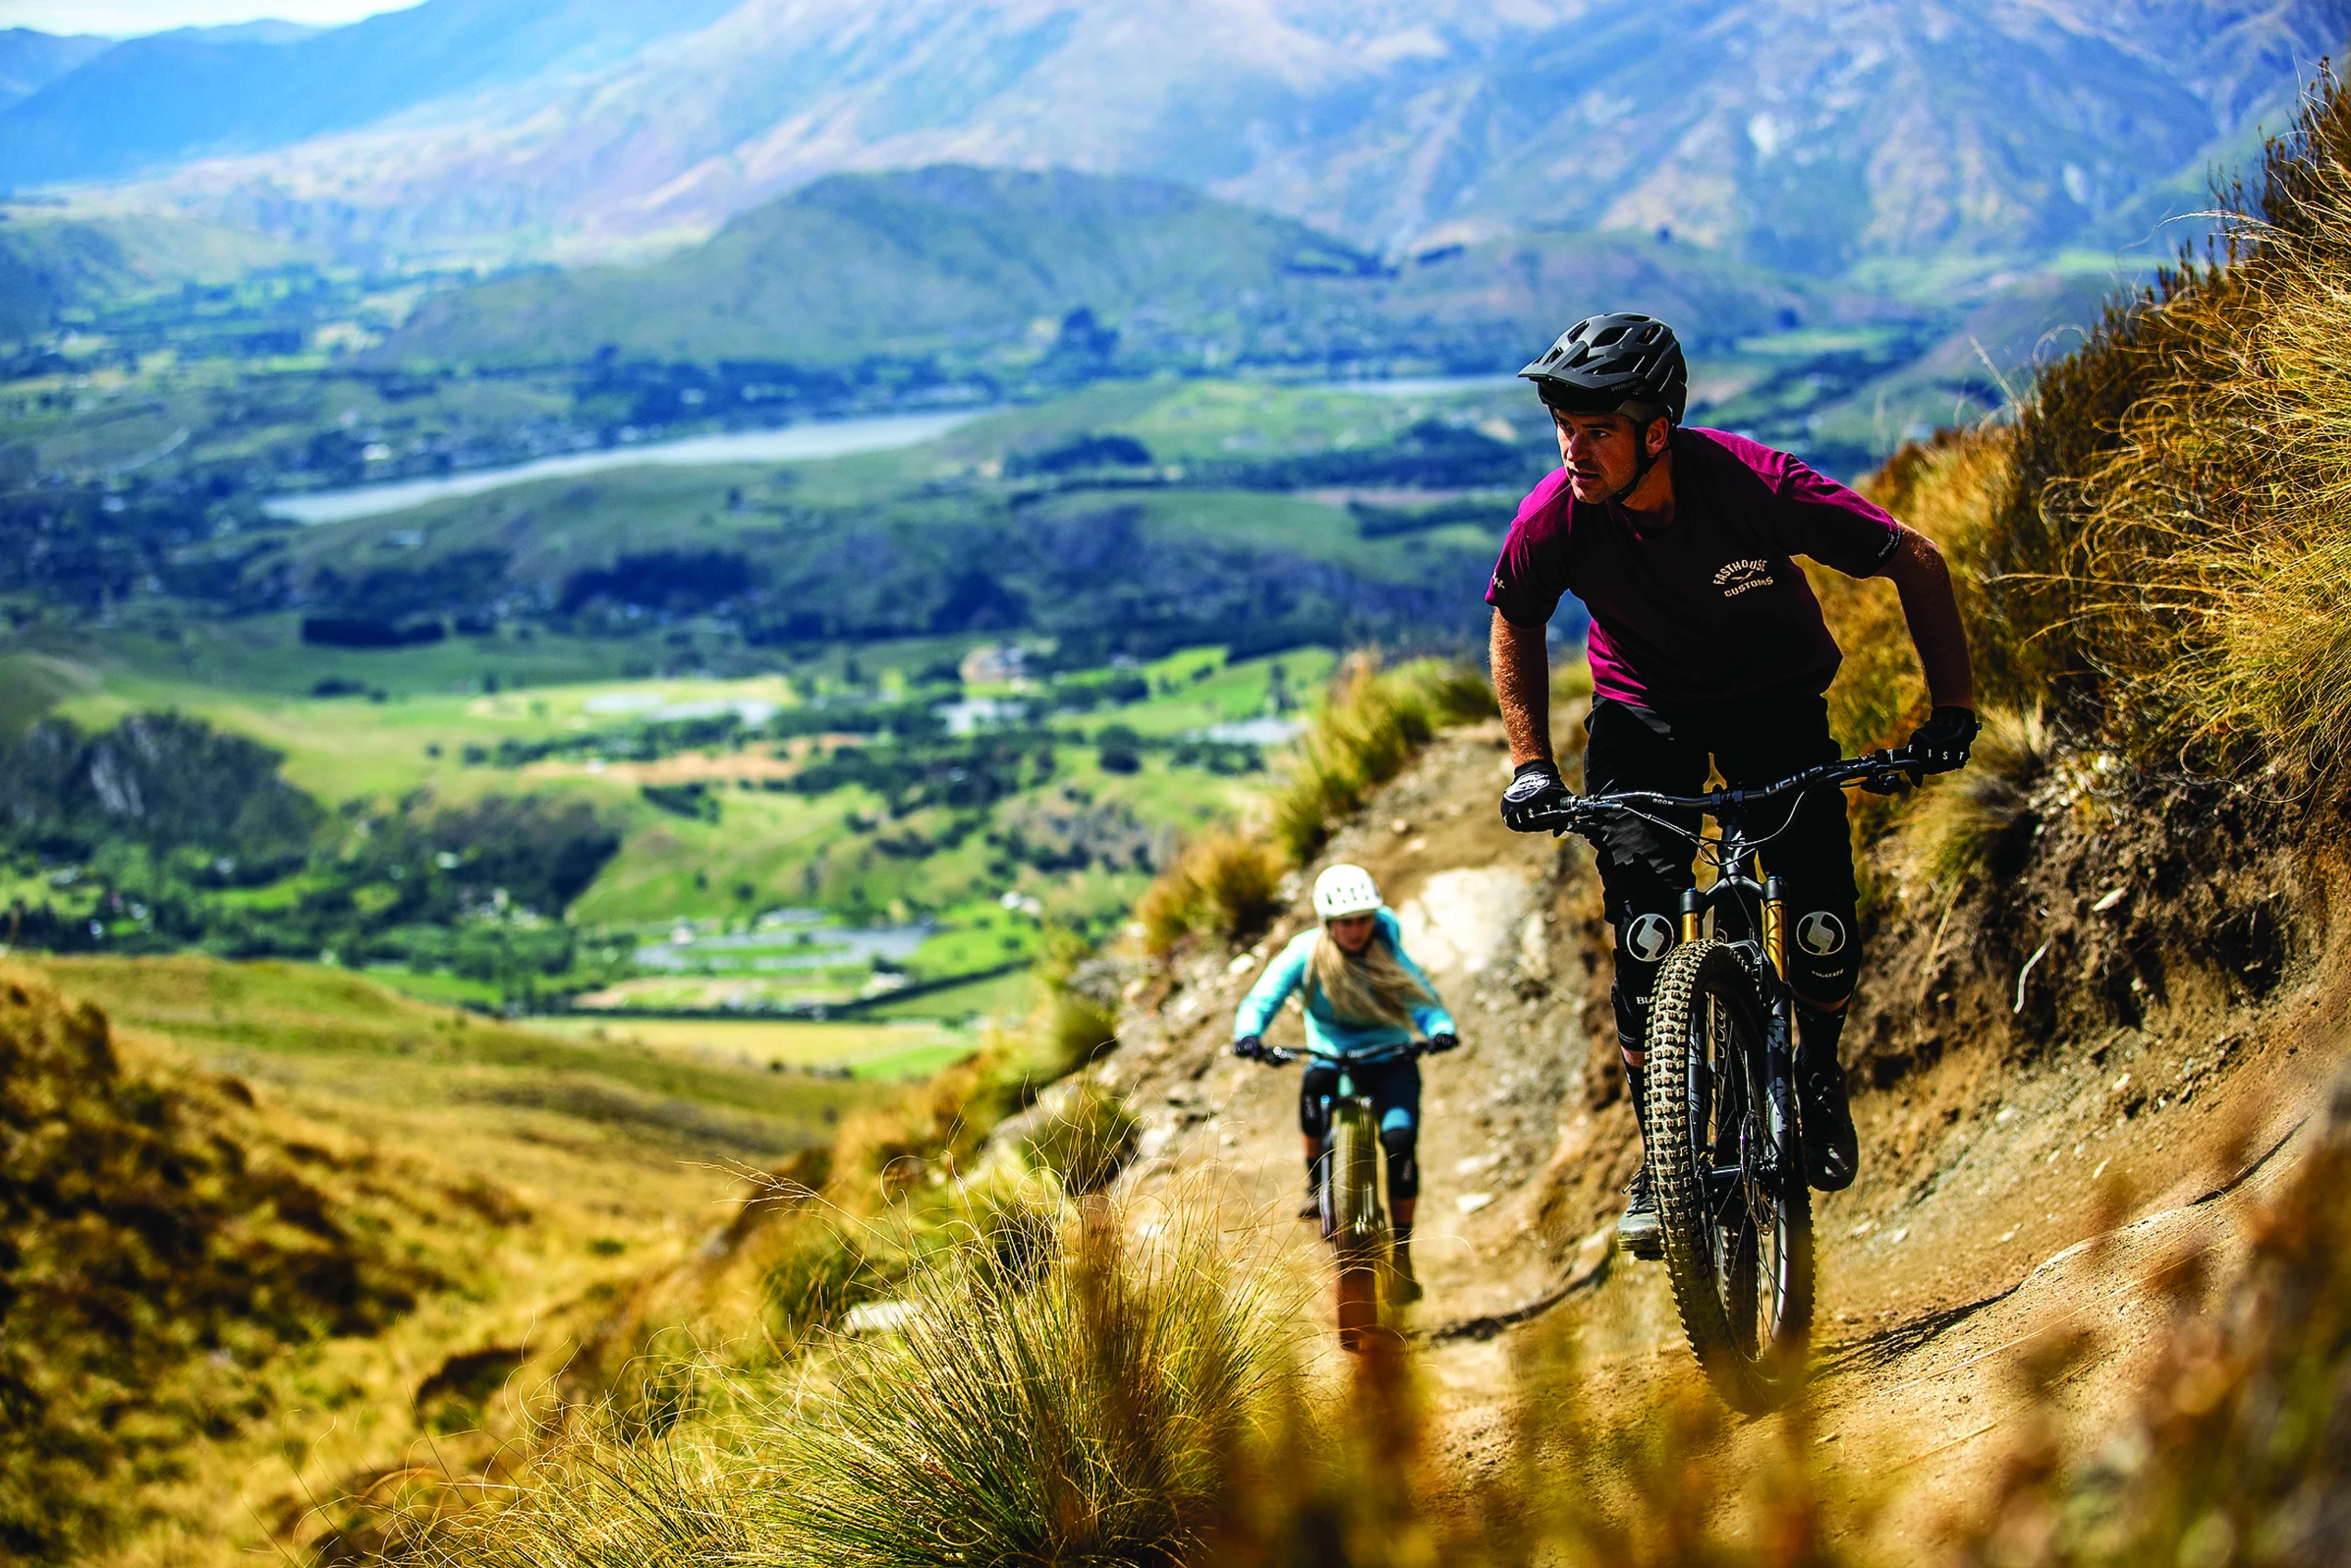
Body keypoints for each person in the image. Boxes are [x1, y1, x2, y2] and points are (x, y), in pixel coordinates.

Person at [1486, 312, 1978, 1257]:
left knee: (1822, 923)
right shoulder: (1557, 513)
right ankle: (1660, 1153)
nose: (1571, 450)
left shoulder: (1754, 484)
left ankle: (1819, 1075)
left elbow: (1910, 555)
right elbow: (1516, 614)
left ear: (1657, 429)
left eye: (1596, 431)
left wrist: (1950, 709)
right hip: (1642, 718)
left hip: (1773, 705)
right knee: (1643, 935)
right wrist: (1531, 767)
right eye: (1562, 427)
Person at [1232, 864, 1459, 1301]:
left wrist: (1439, 1027)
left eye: (1363, 920)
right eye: (1346, 923)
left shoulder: (1387, 947)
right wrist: (1249, 1034)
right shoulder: (1305, 953)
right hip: (1331, 1057)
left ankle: (1403, 1252)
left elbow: (1421, 997)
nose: (1356, 930)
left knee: (1399, 1139)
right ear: (1328, 923)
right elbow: (1263, 996)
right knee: (1314, 1085)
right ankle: (1316, 1185)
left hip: (1389, 1056)